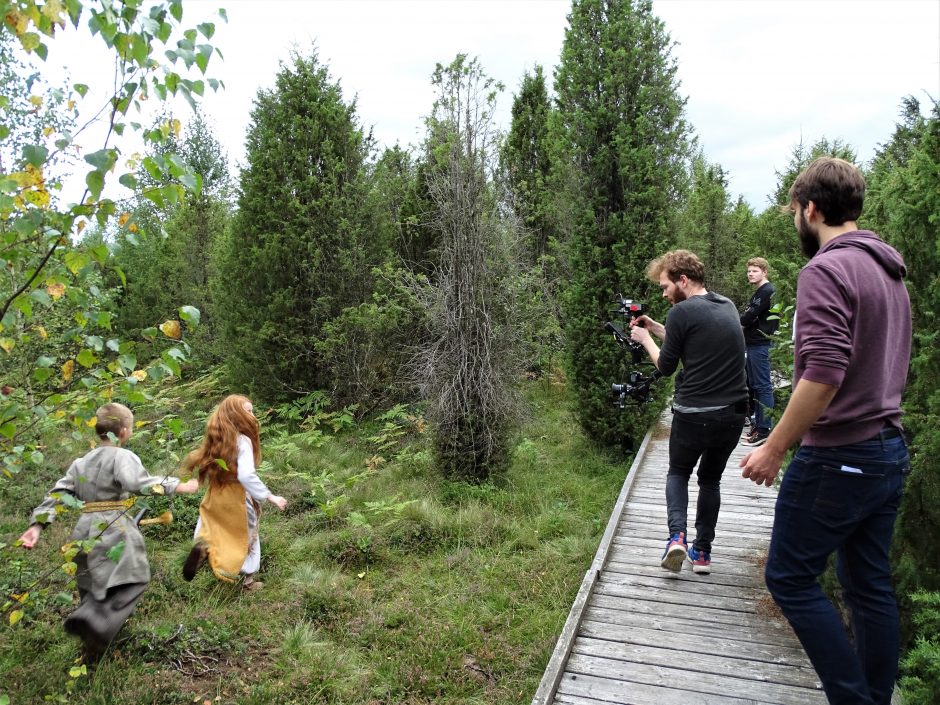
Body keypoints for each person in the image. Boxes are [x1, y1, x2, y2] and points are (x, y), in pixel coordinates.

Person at [741, 157, 911, 705]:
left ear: (810, 209)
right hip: (888, 450)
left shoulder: (826, 270)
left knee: (789, 578)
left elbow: (824, 375)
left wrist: (774, 446)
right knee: (868, 587)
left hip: (840, 455)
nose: (796, 222)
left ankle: (852, 698)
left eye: (795, 212)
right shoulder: (889, 271)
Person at [17, 402, 199, 660]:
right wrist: (179, 486)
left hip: (83, 530)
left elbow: (58, 493)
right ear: (124, 431)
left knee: (91, 585)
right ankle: (91, 619)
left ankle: (91, 651)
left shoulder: (81, 462)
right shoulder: (122, 457)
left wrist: (36, 526)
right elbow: (138, 483)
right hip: (114, 526)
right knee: (134, 578)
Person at [630, 250, 748, 575]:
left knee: (678, 472)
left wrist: (643, 339)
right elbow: (695, 343)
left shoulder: (681, 312)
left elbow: (667, 365)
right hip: (733, 414)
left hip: (694, 413)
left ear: (683, 280)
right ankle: (703, 554)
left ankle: (676, 538)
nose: (664, 293)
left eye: (666, 286)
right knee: (711, 480)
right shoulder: (726, 306)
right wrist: (656, 327)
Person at [181, 394, 286, 590]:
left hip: (215, 494)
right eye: (249, 411)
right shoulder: (243, 441)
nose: (253, 416)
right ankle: (248, 581)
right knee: (247, 536)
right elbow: (246, 475)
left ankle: (203, 548)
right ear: (237, 415)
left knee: (211, 527)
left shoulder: (218, 440)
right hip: (237, 496)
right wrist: (270, 496)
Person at [740, 256, 778, 446]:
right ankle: (757, 425)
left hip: (761, 344)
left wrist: (736, 322)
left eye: (755, 271)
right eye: (749, 271)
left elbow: (748, 317)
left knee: (762, 386)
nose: (750, 274)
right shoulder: (759, 292)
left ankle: (764, 430)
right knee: (754, 385)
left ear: (764, 272)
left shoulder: (767, 291)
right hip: (753, 343)